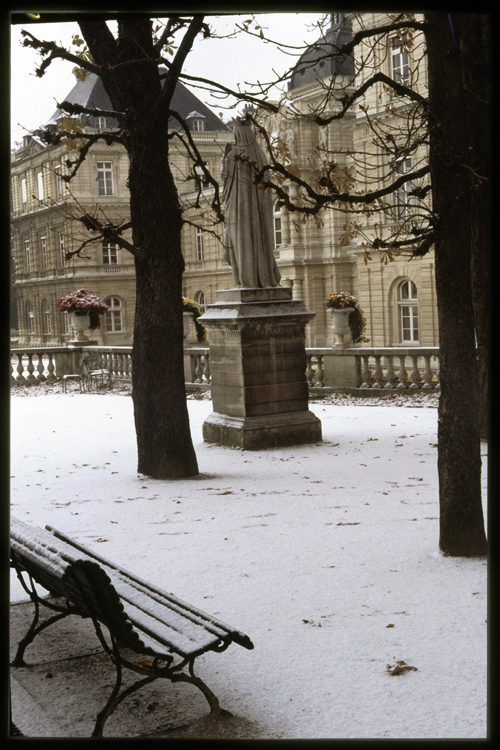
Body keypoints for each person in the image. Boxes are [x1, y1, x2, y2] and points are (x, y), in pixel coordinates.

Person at [221, 119, 281, 288]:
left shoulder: (233, 156)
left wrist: (225, 158)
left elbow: (226, 182)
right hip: (259, 212)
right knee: (258, 240)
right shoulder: (261, 155)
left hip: (238, 210)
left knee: (241, 240)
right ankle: (263, 277)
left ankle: (246, 280)